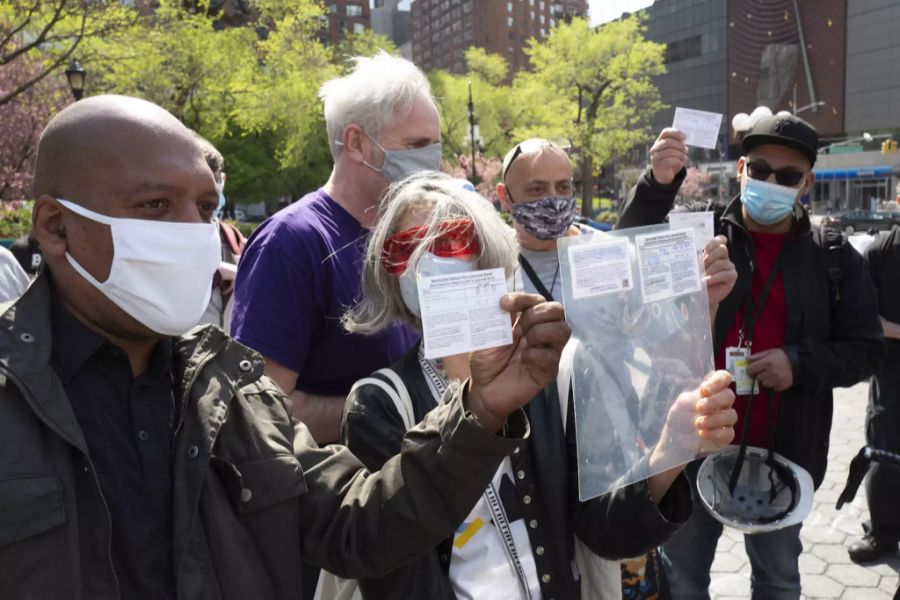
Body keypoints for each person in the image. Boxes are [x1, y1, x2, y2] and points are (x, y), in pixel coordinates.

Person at [0, 94, 573, 598]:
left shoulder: (227, 392)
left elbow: (358, 526)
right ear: (54, 227)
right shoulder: (17, 398)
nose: (192, 232)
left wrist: (478, 411)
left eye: (204, 209)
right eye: (155, 206)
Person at [339, 172, 739, 599]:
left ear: (486, 252)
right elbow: (395, 574)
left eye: (451, 239)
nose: (428, 260)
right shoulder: (379, 403)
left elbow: (604, 534)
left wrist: (667, 455)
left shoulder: (553, 373)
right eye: (406, 249)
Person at [620, 113, 883, 599]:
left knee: (779, 580)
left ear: (807, 183)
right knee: (682, 578)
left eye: (786, 176)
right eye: (759, 169)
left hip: (786, 451)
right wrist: (657, 184)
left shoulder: (834, 256)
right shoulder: (698, 232)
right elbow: (626, 249)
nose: (770, 183)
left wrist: (798, 363)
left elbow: (866, 349)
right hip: (691, 446)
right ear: (740, 168)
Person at [495, 134, 737, 599]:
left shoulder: (610, 253)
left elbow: (674, 356)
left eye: (564, 187)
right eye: (536, 190)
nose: (554, 200)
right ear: (505, 196)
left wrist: (704, 305)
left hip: (613, 456)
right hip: (526, 463)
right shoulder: (489, 266)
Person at [231, 51, 441, 446]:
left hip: (418, 491)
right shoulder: (292, 241)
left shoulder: (417, 237)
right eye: (417, 144)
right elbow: (260, 409)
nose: (432, 160)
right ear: (357, 142)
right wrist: (395, 407)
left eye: (435, 145)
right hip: (338, 498)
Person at [849, 213, 900, 563]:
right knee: (884, 454)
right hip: (891, 375)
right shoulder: (881, 252)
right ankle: (883, 535)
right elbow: (868, 320)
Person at [192, 134, 245, 331]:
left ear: (222, 180)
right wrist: (211, 269)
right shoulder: (165, 239)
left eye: (214, 182)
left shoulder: (236, 241)